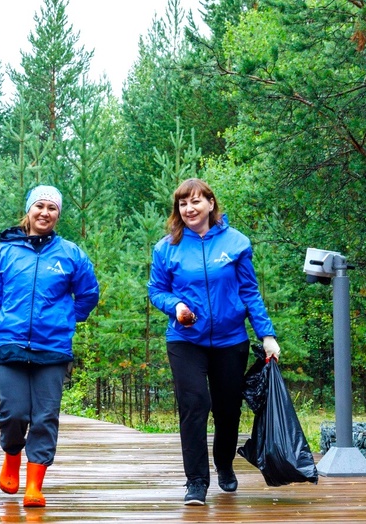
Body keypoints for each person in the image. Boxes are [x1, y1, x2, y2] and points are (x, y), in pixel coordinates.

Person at [0, 185, 100, 508]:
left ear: (58, 215)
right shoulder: (3, 253)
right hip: (9, 345)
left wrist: (67, 318)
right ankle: (11, 457)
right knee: (14, 412)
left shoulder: (71, 255)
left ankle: (35, 485)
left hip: (52, 350)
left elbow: (89, 295)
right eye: (40, 206)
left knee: (45, 416)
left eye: (52, 208)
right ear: (29, 210)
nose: (45, 213)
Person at [147, 178, 280, 507]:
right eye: (182, 204)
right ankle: (196, 481)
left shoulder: (235, 243)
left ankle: (223, 463)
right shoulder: (167, 247)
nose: (189, 209)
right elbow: (157, 291)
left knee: (227, 410)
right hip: (185, 340)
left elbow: (249, 292)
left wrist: (267, 334)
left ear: (210, 203)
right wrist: (175, 306)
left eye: (195, 202)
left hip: (230, 340)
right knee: (194, 406)